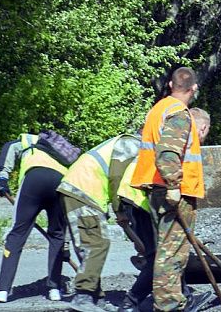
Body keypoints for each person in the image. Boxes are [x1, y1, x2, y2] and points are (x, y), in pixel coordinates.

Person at [116, 107, 213, 312]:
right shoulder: (178, 141)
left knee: (169, 252)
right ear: (202, 128)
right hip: (139, 200)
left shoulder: (169, 136)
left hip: (139, 197)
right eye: (205, 133)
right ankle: (132, 303)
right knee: (161, 256)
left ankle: (182, 297)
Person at [129, 67, 206, 312]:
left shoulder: (158, 109)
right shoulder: (179, 113)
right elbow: (167, 153)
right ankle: (169, 305)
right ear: (193, 89)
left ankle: (166, 302)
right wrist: (174, 185)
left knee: (165, 249)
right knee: (172, 253)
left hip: (155, 188)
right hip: (174, 191)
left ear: (172, 85)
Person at [57, 133, 142, 312]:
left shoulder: (128, 142)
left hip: (80, 189)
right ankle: (83, 297)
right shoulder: (131, 143)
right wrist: (120, 210)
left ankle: (96, 299)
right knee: (96, 245)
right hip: (84, 191)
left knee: (90, 244)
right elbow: (117, 177)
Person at [0, 133, 72, 303]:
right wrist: (65, 246)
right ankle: (54, 289)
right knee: (57, 235)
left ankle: (2, 290)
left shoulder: (29, 140)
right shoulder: (65, 152)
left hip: (35, 179)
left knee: (17, 234)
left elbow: (10, 148)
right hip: (61, 183)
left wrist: (3, 178)